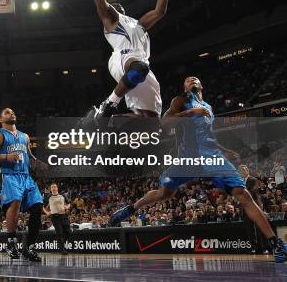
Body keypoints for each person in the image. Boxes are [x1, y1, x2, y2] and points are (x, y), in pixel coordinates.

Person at [109, 77, 287, 263]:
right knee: (165, 194)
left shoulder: (208, 107)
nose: (192, 79)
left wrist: (225, 150)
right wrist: (191, 112)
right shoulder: (181, 101)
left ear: (201, 85)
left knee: (243, 194)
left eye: (195, 79)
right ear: (185, 87)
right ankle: (130, 208)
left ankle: (276, 245)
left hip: (211, 156)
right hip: (189, 158)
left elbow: (207, 135)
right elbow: (165, 122)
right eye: (187, 80)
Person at [68, 0, 173, 119]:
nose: (114, 6)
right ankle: (109, 103)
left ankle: (101, 122)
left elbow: (160, 11)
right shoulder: (111, 18)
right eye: (110, 5)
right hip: (124, 59)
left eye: (117, 5)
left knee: (149, 121)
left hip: (142, 67)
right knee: (139, 68)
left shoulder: (137, 24)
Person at [0, 108, 44, 262]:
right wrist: (6, 157)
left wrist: (37, 162)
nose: (12, 113)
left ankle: (29, 247)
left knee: (38, 206)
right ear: (1, 119)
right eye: (7, 112)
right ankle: (11, 242)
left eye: (13, 112)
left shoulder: (25, 136)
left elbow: (28, 155)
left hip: (25, 176)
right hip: (7, 175)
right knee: (15, 202)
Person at [238, 164, 270, 254]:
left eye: (243, 170)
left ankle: (265, 248)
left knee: (260, 228)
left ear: (247, 170)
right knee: (250, 230)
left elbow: (257, 195)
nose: (242, 172)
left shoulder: (253, 180)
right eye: (240, 171)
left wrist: (260, 209)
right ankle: (254, 248)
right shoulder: (239, 182)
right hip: (245, 210)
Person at [43, 183, 71, 255]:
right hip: (55, 217)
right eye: (52, 187)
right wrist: (47, 212)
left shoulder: (63, 195)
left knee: (68, 231)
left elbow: (68, 204)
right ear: (50, 189)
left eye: (55, 187)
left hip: (64, 216)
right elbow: (42, 206)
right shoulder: (48, 196)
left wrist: (66, 207)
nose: (54, 188)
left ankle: (60, 245)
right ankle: (62, 249)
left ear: (57, 188)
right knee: (59, 233)